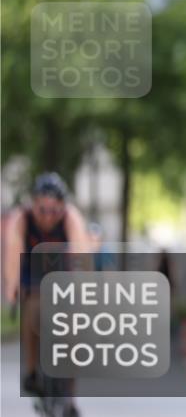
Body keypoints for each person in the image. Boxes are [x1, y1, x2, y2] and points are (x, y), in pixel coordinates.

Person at [2, 172, 89, 416]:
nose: (48, 217)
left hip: (62, 273)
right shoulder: (22, 218)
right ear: (34, 203)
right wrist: (11, 287)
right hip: (32, 272)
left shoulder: (71, 218)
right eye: (42, 210)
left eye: (54, 211)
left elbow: (81, 253)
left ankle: (68, 395)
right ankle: (31, 371)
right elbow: (12, 252)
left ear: (62, 207)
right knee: (31, 306)